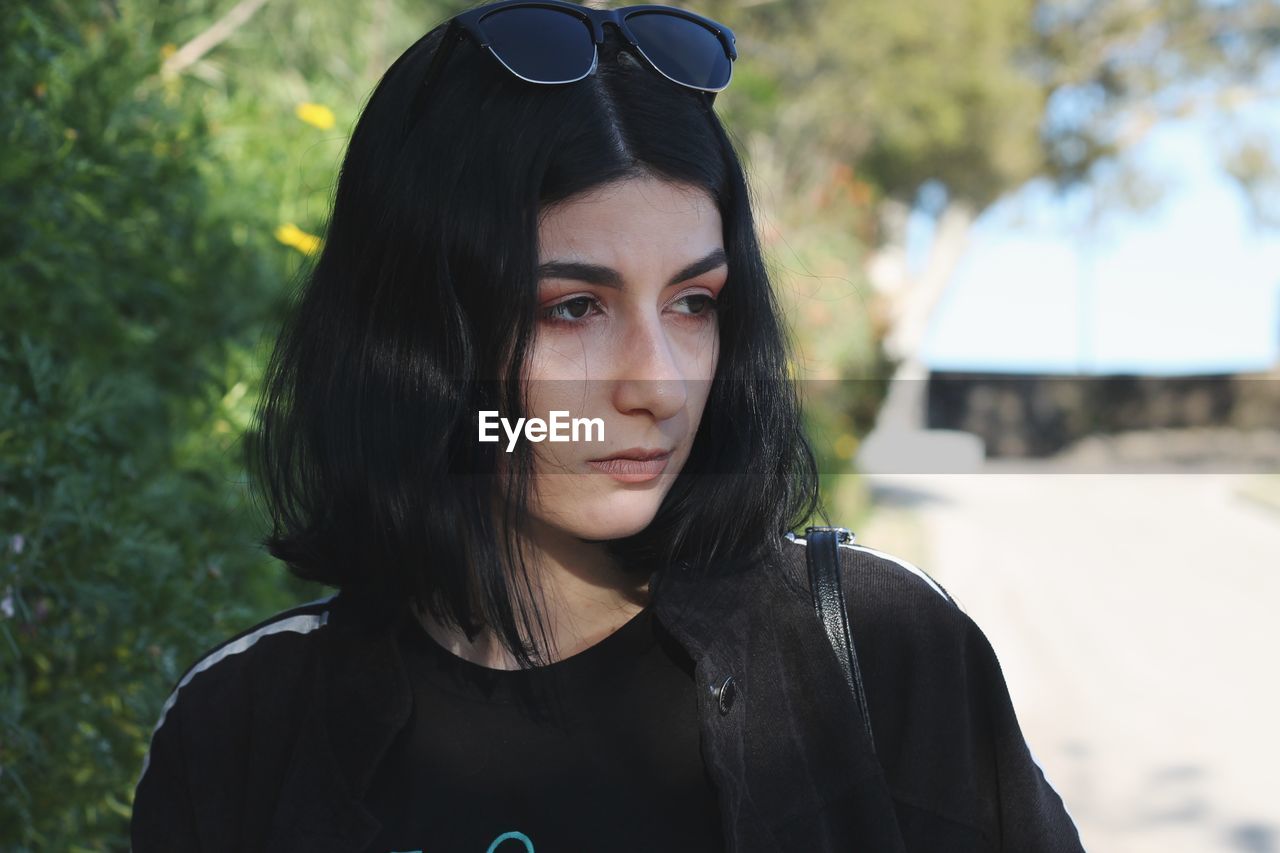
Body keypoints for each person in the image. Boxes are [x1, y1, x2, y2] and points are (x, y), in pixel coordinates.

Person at [130, 1, 1085, 851]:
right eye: (573, 309)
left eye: (695, 302)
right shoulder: (241, 725)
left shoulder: (877, 653)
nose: (658, 385)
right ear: (417, 336)